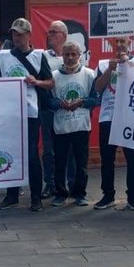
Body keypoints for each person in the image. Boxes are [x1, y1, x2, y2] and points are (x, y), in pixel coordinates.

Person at [0, 19, 53, 212]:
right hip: (10, 112)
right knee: (11, 152)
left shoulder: (39, 56)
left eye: (20, 34)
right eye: (14, 34)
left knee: (31, 154)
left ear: (29, 35)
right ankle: (12, 195)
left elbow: (51, 82)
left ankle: (35, 196)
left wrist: (37, 82)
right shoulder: (4, 56)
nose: (17, 37)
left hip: (31, 112)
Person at [94, 34, 134, 210]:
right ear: (111, 43)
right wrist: (110, 69)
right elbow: (97, 87)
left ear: (130, 42)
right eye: (117, 41)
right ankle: (108, 195)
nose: (120, 44)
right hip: (108, 117)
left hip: (131, 117)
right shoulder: (102, 64)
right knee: (107, 159)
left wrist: (127, 65)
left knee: (133, 159)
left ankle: (133, 197)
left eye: (123, 41)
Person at [49, 41, 96, 207]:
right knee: (59, 162)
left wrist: (82, 101)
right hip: (60, 127)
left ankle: (80, 194)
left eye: (73, 54)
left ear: (79, 56)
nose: (70, 57)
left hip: (81, 126)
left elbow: (96, 99)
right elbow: (47, 102)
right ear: (62, 56)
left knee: (81, 163)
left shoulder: (89, 74)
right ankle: (60, 194)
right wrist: (59, 103)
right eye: (67, 54)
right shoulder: (54, 76)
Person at [39, 20, 70, 199]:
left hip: (69, 110)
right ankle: (49, 184)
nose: (49, 35)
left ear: (64, 35)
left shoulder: (73, 54)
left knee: (69, 150)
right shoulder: (42, 56)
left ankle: (70, 184)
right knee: (49, 150)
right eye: (49, 32)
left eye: (54, 32)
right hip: (49, 109)